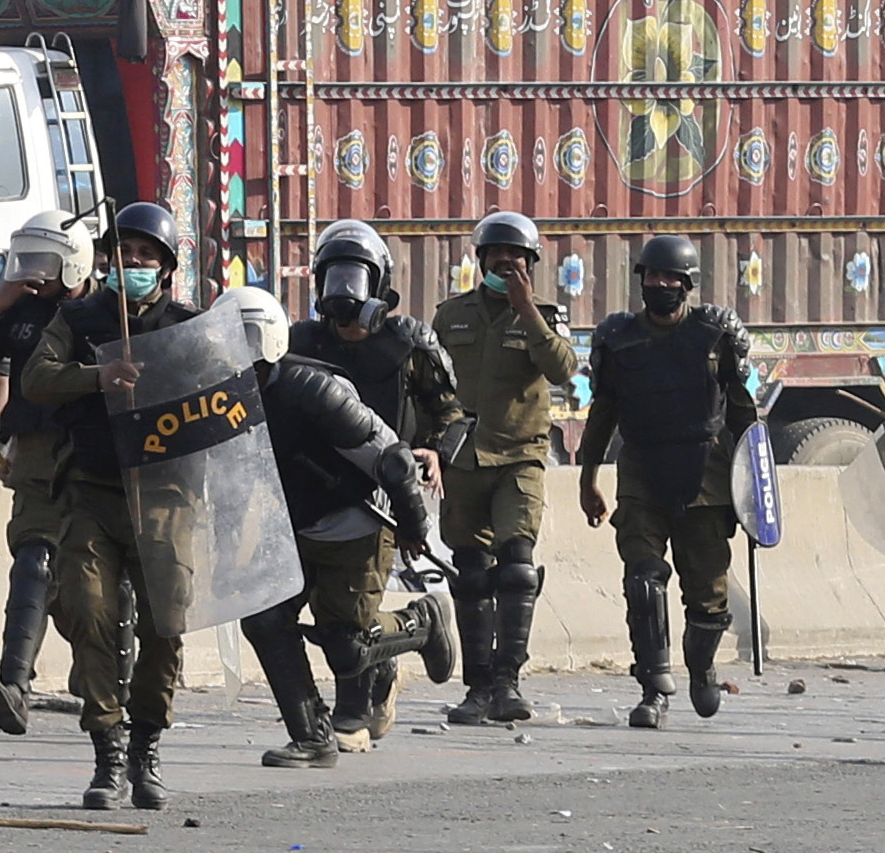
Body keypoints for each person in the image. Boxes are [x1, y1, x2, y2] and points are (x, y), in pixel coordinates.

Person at [20, 198, 213, 808]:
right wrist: (97, 377)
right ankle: (106, 749)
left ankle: (147, 747)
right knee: (90, 612)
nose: (132, 262)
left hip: (164, 496)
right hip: (92, 492)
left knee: (166, 623)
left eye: (145, 255)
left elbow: (223, 401)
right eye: (123, 252)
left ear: (165, 265)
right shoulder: (78, 319)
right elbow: (35, 379)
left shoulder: (188, 325)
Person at [231, 283, 432, 767]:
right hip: (293, 527)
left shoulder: (315, 391)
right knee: (264, 620)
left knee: (345, 645)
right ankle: (312, 737)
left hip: (356, 522)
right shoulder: (221, 403)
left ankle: (421, 622)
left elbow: (394, 461)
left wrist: (413, 525)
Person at [574, 234, 756, 728]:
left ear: (687, 284)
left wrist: (758, 492)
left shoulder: (714, 337)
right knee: (643, 580)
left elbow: (744, 416)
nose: (660, 285)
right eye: (652, 277)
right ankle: (654, 687)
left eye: (670, 278)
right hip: (642, 474)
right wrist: (588, 477)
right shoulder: (619, 339)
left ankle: (701, 669)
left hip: (707, 478)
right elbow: (602, 414)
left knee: (707, 594)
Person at [289, 217, 458, 712]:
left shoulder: (409, 342)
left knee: (347, 634)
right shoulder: (301, 342)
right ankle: (362, 684)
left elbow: (450, 410)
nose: (344, 291)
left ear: (378, 281)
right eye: (334, 277)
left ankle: (413, 631)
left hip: (381, 492)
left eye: (354, 276)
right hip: (310, 491)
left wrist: (434, 449)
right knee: (286, 615)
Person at [432, 209, 578, 724]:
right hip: (464, 459)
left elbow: (563, 369)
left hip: (520, 456)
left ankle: (508, 683)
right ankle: (476, 689)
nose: (504, 263)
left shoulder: (544, 315)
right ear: (480, 260)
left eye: (515, 257)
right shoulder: (450, 317)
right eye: (496, 256)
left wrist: (527, 311)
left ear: (530, 264)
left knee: (516, 566)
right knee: (470, 575)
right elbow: (428, 388)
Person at [0, 221, 91, 737]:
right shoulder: (21, 313)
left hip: (93, 461)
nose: (35, 273)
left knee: (91, 587)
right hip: (35, 458)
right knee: (33, 562)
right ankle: (15, 686)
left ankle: (104, 677)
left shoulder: (103, 312)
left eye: (46, 262)